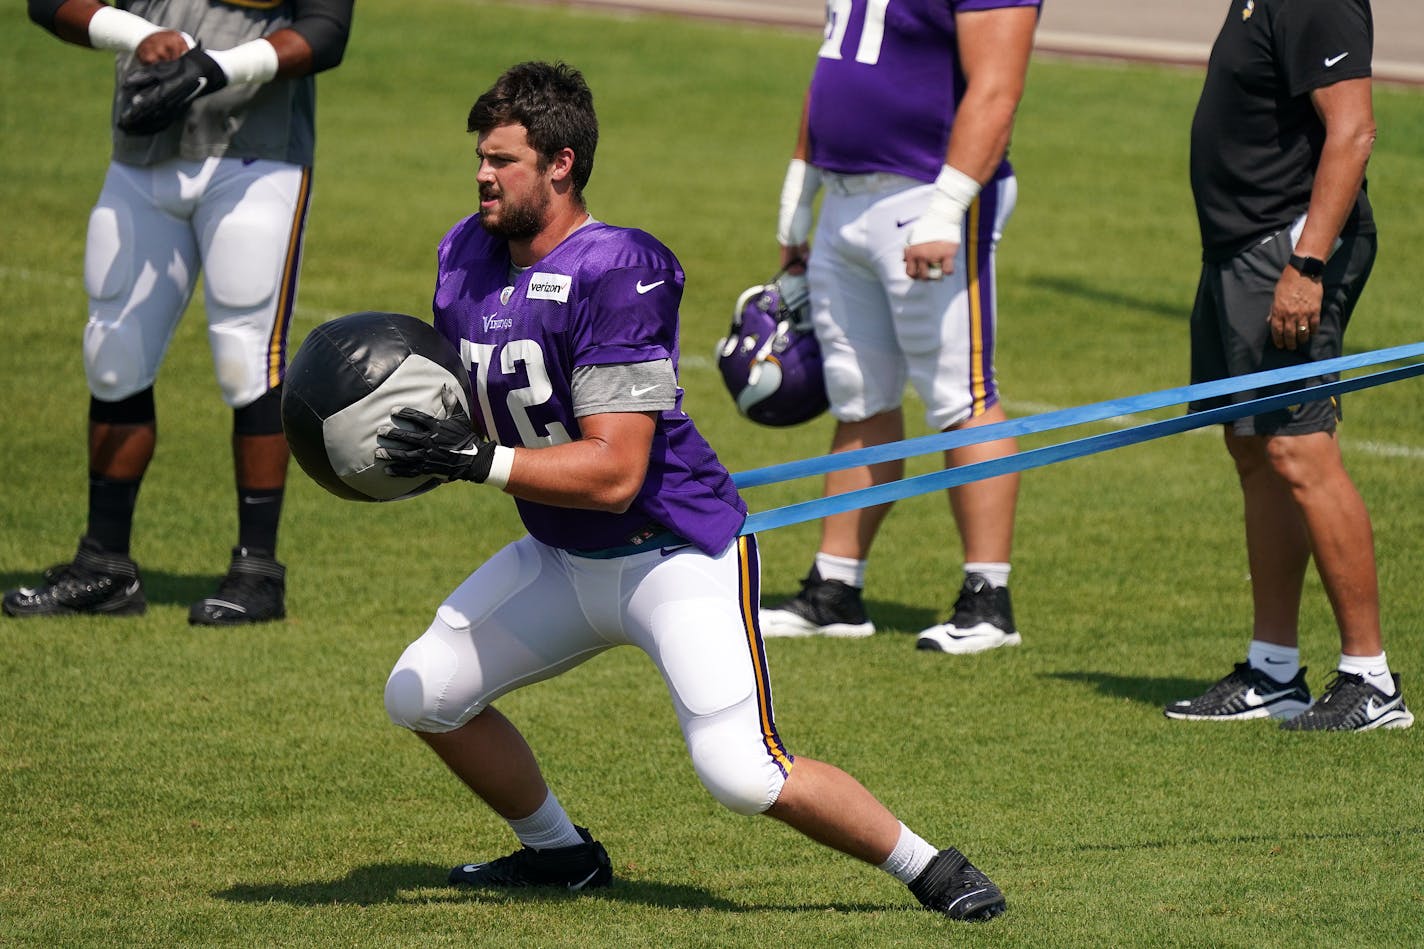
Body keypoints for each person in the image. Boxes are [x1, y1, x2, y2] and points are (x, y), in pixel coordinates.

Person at [374, 61, 1007, 922]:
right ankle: (561, 854)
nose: (483, 175)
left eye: (503, 160)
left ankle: (930, 866)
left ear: (561, 164)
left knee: (741, 772)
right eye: (481, 158)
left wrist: (473, 458)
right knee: (422, 692)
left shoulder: (619, 268)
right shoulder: (464, 253)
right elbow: (460, 397)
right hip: (562, 555)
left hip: (673, 554)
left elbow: (616, 471)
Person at [4, 0, 354, 625]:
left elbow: (327, 32)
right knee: (113, 354)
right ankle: (105, 567)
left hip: (256, 154)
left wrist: (217, 68)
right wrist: (140, 34)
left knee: (245, 358)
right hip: (142, 151)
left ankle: (257, 573)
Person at [758, 0, 1040, 653]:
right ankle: (835, 586)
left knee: (960, 393)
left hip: (927, 192)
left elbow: (998, 86)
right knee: (859, 392)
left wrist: (946, 209)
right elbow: (833, 64)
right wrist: (798, 197)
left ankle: (988, 599)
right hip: (847, 196)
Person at [1163, 0, 1412, 731]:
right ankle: (1273, 669)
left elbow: (1354, 129)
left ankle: (1370, 679)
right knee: (1253, 448)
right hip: (1237, 249)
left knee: (1299, 449)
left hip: (1287, 249)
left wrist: (1306, 262)